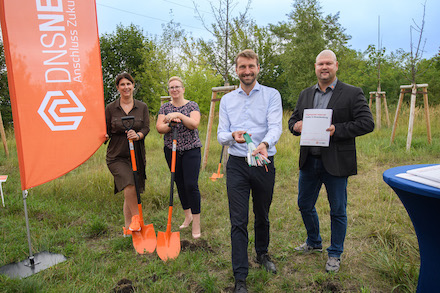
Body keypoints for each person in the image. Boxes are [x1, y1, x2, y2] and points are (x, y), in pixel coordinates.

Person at [288, 49, 374, 273]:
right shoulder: (306, 94)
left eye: (328, 63)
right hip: (309, 160)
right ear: (315, 67)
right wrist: (295, 127)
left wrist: (338, 129)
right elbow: (294, 119)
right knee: (304, 204)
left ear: (336, 65)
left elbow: (367, 123)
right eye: (320, 64)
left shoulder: (352, 93)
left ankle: (335, 253)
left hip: (336, 162)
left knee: (337, 210)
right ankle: (314, 242)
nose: (324, 67)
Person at [217, 49, 283, 293]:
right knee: (238, 220)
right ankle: (240, 277)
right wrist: (232, 137)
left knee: (262, 213)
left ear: (257, 68)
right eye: (242, 67)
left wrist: (264, 144)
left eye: (251, 66)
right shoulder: (227, 100)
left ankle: (262, 254)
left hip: (263, 162)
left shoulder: (271, 95)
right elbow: (221, 134)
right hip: (236, 164)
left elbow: (276, 126)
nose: (247, 71)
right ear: (236, 70)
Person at [156, 76, 202, 239]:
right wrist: (170, 124)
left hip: (191, 149)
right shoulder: (164, 108)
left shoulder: (192, 105)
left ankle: (196, 222)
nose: (174, 90)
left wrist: (179, 115)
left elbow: (194, 124)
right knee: (180, 184)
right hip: (172, 149)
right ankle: (187, 215)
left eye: (177, 87)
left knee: (191, 185)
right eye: (171, 87)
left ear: (183, 89)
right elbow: (160, 128)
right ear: (169, 91)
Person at [105, 72, 150, 236]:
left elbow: (146, 127)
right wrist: (104, 135)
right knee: (129, 184)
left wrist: (138, 135)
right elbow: (105, 130)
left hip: (136, 154)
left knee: (131, 190)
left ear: (133, 86)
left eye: (128, 84)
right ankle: (137, 219)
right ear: (117, 88)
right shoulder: (110, 108)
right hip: (116, 156)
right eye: (122, 85)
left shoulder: (142, 107)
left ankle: (128, 228)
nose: (126, 87)